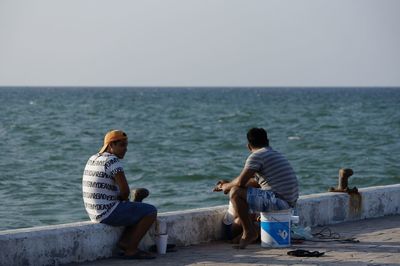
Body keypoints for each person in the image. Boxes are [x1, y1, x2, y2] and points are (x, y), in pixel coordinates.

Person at [214, 127, 299, 249]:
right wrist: (228, 184)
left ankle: (249, 232)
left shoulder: (256, 156)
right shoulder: (274, 154)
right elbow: (253, 181)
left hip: (278, 201)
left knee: (235, 192)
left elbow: (241, 182)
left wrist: (226, 187)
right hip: (289, 201)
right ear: (267, 141)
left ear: (249, 146)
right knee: (238, 189)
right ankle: (253, 231)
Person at [82, 130, 157, 259]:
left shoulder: (93, 158)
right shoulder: (112, 161)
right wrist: (124, 199)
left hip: (94, 212)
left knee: (134, 205)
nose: (125, 149)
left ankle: (124, 242)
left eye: (126, 145)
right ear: (111, 145)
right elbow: (125, 191)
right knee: (150, 211)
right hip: (107, 212)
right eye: (122, 145)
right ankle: (131, 250)